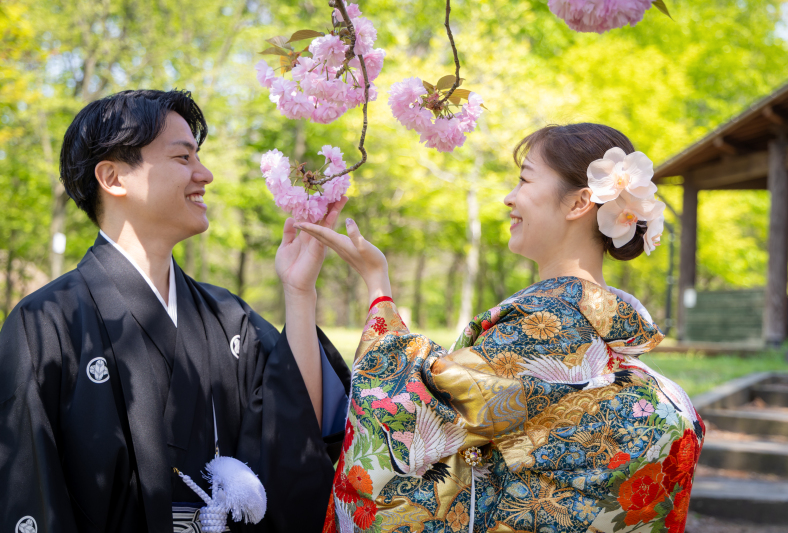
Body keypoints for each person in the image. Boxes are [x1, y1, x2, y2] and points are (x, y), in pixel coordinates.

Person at [299, 123, 705, 533]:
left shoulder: (548, 323)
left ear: (580, 202)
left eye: (525, 179)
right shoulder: (608, 330)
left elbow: (415, 406)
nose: (510, 198)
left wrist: (376, 286)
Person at [0, 90, 350, 533]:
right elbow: (28, 490)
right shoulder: (47, 323)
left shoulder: (227, 316)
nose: (204, 174)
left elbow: (296, 429)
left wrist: (299, 293)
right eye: (183, 158)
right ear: (113, 177)